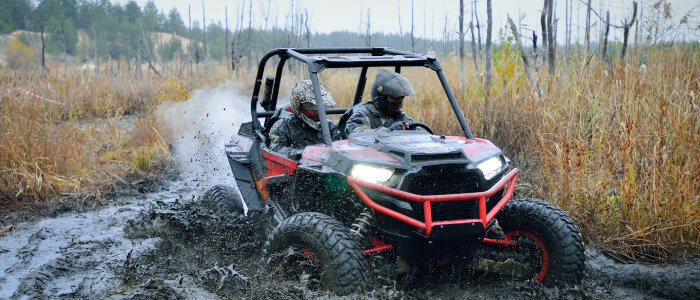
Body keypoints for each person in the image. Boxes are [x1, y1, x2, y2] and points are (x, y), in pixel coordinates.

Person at [268, 80, 341, 157]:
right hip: (295, 166)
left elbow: (339, 149)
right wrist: (305, 153)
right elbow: (276, 151)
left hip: (325, 166)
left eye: (321, 106)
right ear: (297, 106)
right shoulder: (282, 127)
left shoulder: (330, 126)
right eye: (310, 106)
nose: (316, 111)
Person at [344, 70, 416, 135]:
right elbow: (356, 134)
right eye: (394, 97)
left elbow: (420, 134)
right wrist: (389, 131)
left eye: (401, 97)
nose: (399, 101)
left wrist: (412, 131)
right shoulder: (362, 115)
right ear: (381, 97)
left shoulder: (401, 116)